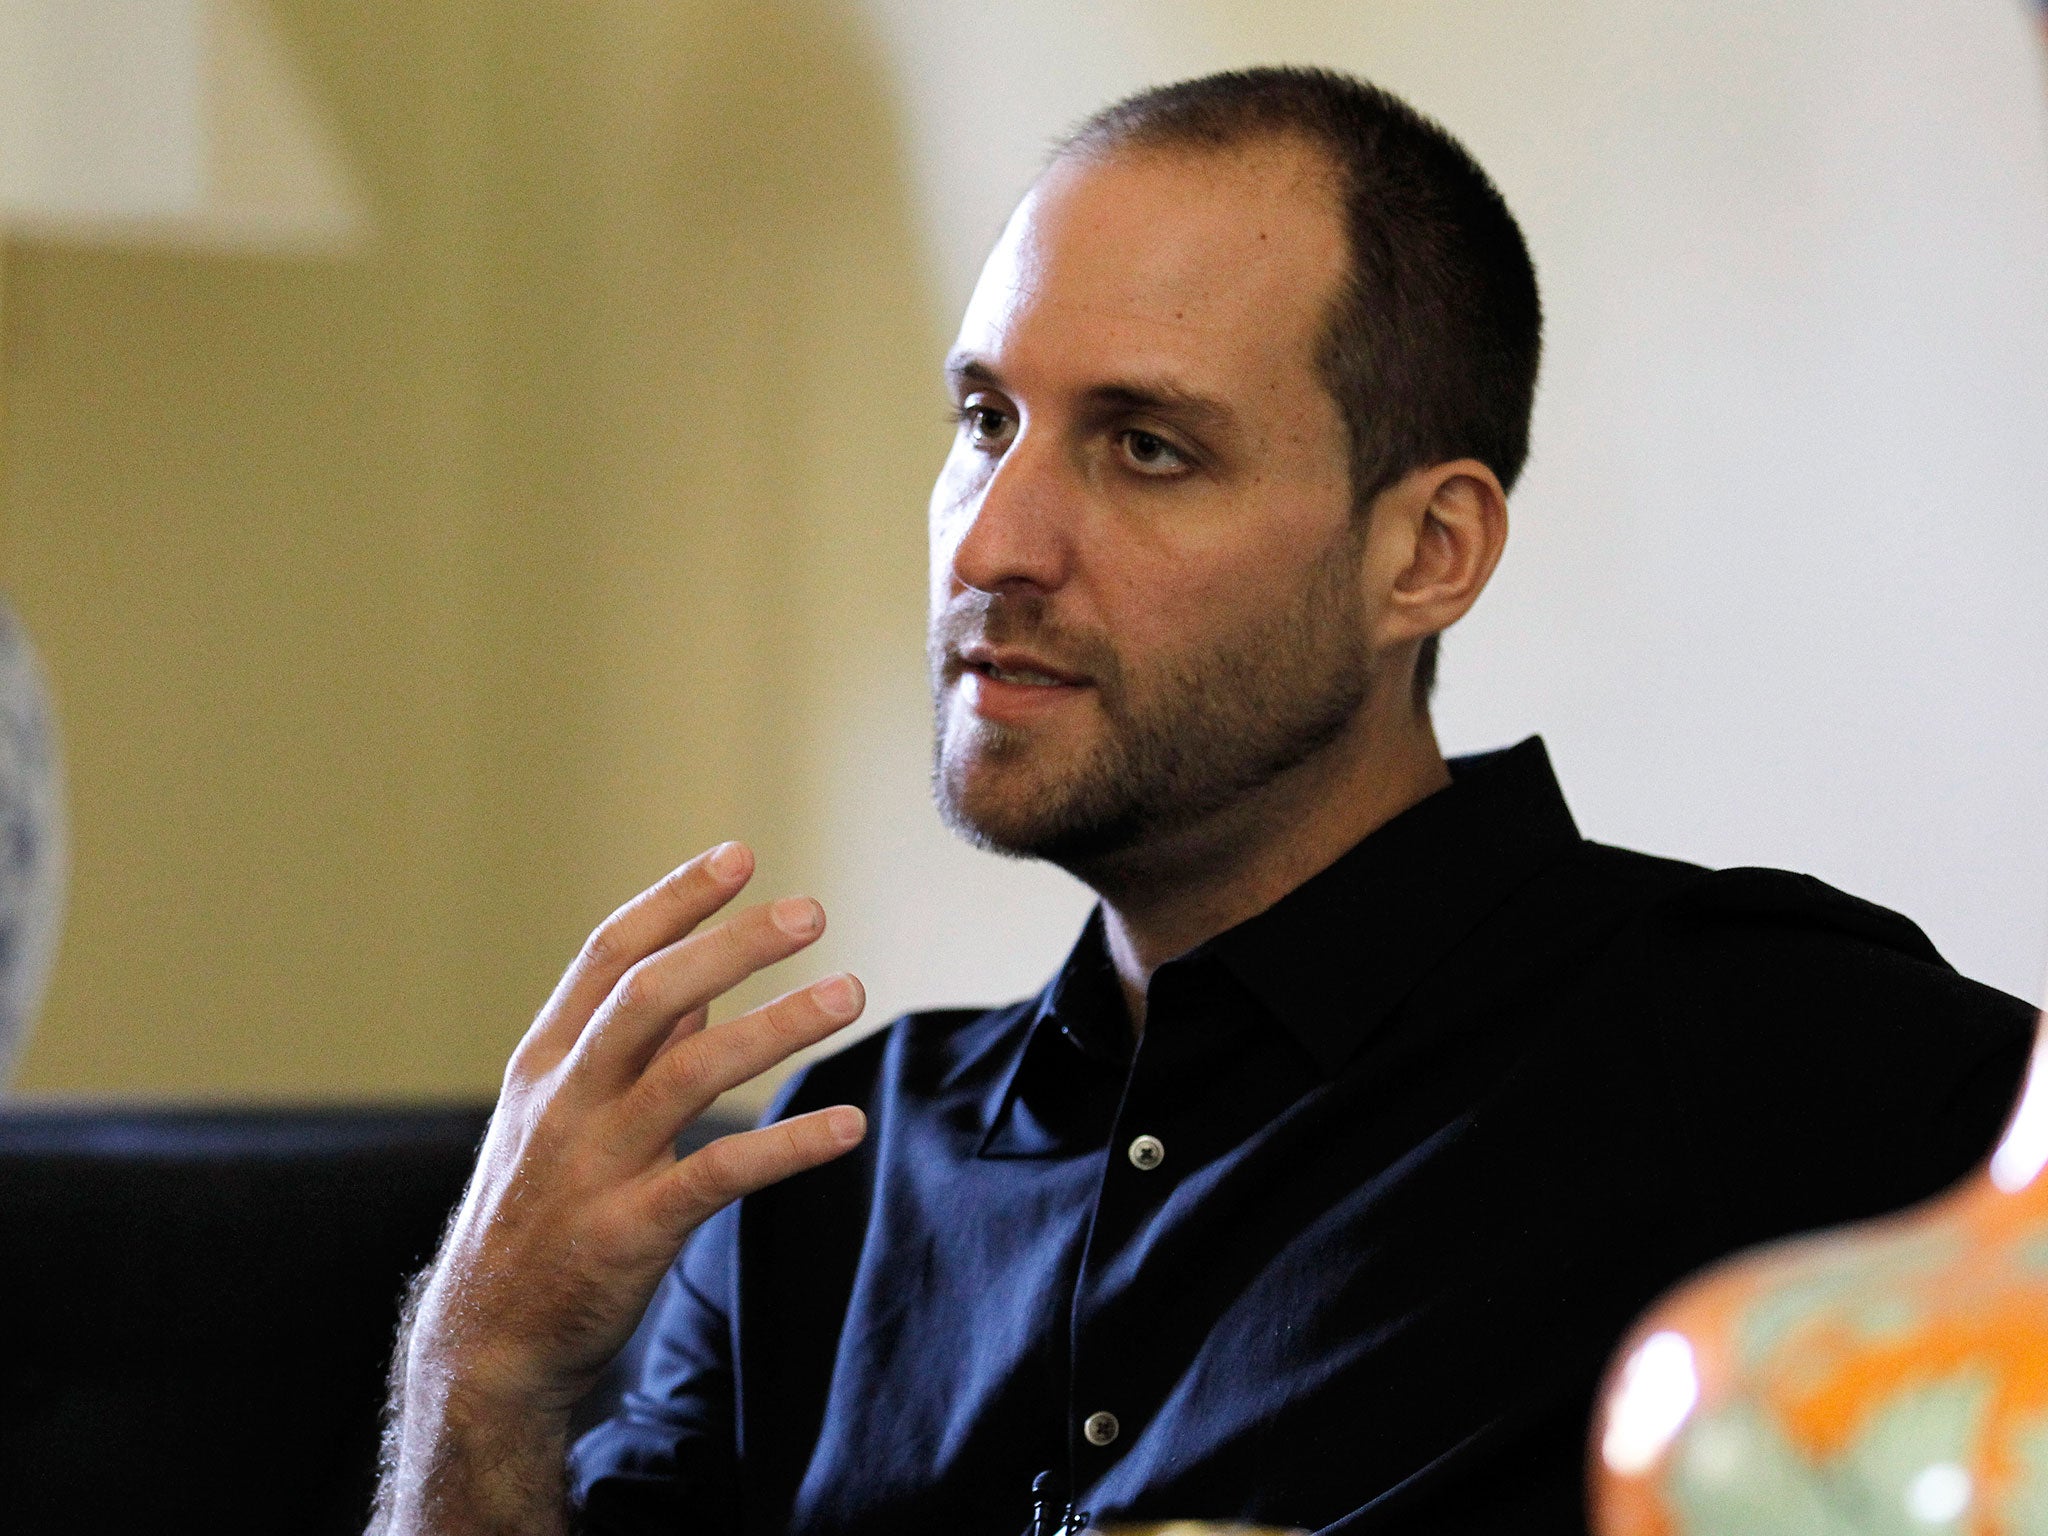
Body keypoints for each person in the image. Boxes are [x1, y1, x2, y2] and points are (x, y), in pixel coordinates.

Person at [370, 67, 2035, 1536]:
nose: (994, 542)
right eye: (984, 420)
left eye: (1147, 446)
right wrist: (483, 1372)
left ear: (1424, 553)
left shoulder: (1785, 1063)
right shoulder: (823, 1184)